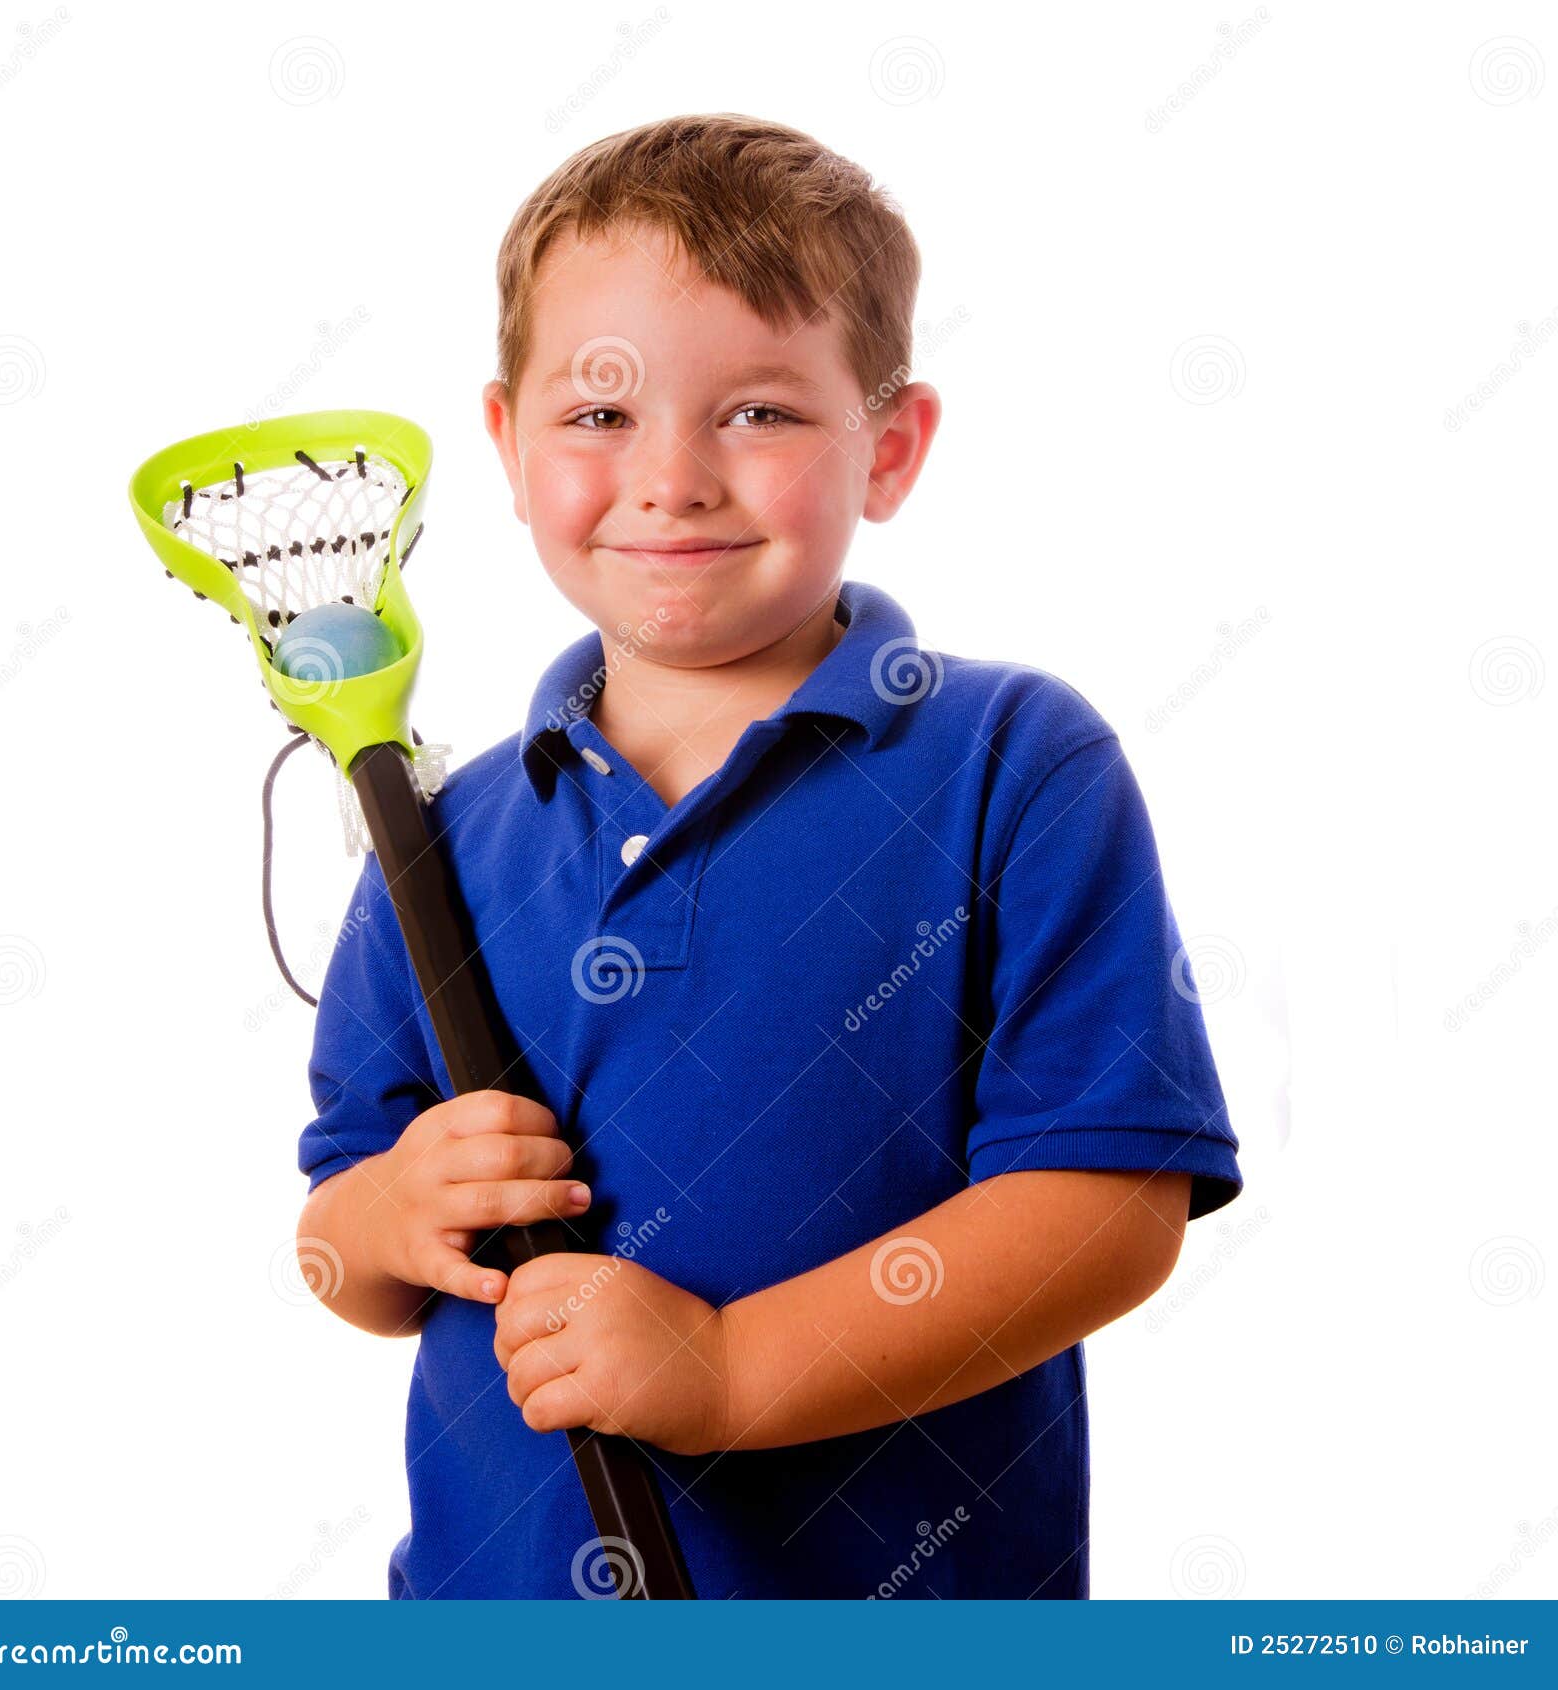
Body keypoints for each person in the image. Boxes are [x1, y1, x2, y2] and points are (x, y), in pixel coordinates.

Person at [296, 112, 1244, 1600]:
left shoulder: (1013, 762)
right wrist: (388, 1208)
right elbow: (345, 1244)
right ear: (506, 443)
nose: (671, 478)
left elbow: (1107, 1210)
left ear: (893, 446)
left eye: (758, 413)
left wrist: (730, 1369)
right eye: (599, 416)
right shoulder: (446, 833)